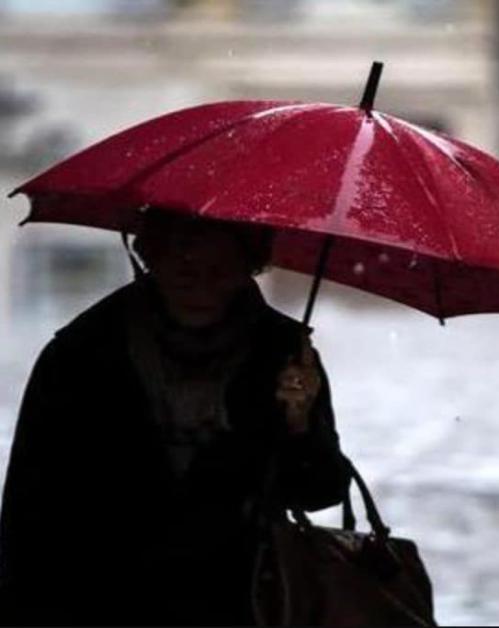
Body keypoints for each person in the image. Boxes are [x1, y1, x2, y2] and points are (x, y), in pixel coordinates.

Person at [0, 208, 351, 625]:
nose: (202, 285)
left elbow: (320, 490)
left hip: (240, 600)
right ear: (154, 258)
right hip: (100, 599)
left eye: (220, 269)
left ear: (249, 267)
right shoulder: (85, 351)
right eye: (185, 267)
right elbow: (31, 508)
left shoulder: (285, 355)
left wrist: (300, 425)